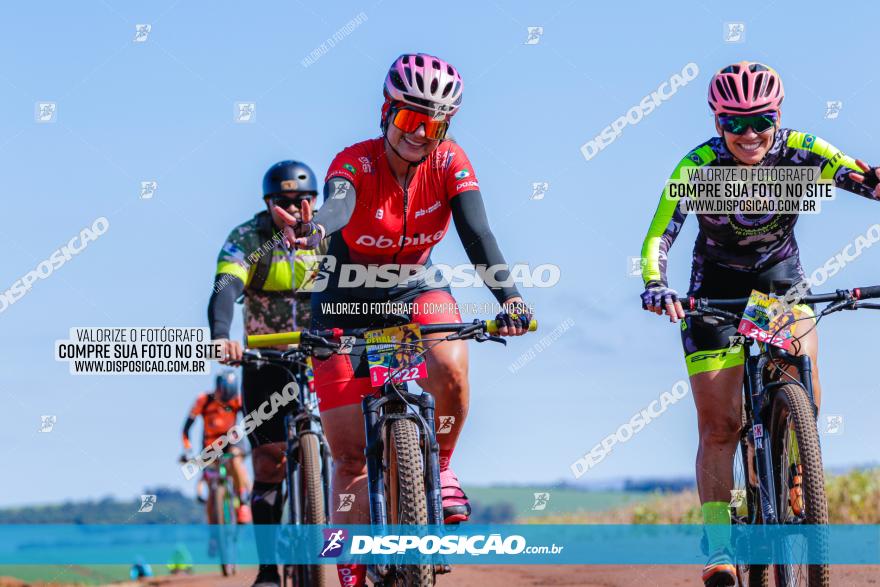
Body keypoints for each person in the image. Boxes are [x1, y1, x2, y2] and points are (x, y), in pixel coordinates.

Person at [275, 52, 534, 587]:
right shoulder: (354, 161)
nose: (420, 133)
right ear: (386, 112)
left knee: (451, 362)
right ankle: (350, 565)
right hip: (343, 296)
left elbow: (478, 235)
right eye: (410, 118)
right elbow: (337, 208)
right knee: (348, 457)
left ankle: (438, 467)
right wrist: (314, 230)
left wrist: (510, 298)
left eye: (434, 122)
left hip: (415, 284)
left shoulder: (450, 162)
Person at [639, 61, 879, 587]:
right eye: (734, 124)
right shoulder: (698, 166)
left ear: (778, 116)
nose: (749, 134)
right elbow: (659, 237)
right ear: (716, 120)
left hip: (778, 286)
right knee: (720, 426)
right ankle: (719, 545)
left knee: (804, 379)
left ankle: (796, 467)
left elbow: (863, 180)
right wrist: (657, 283)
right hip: (714, 294)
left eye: (760, 121)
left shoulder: (801, 151)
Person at [207, 160, 326, 587]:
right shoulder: (249, 237)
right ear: (268, 203)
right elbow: (226, 286)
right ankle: (268, 570)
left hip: (323, 353)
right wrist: (221, 335)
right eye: (284, 202)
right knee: (268, 462)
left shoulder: (327, 234)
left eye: (304, 200)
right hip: (265, 359)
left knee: (353, 442)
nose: (295, 209)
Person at [181, 371, 251, 524]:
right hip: (210, 445)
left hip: (232, 441)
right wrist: (188, 451)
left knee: (236, 460)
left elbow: (251, 416)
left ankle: (243, 502)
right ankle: (214, 533)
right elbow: (186, 430)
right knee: (212, 489)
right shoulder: (203, 400)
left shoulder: (236, 401)